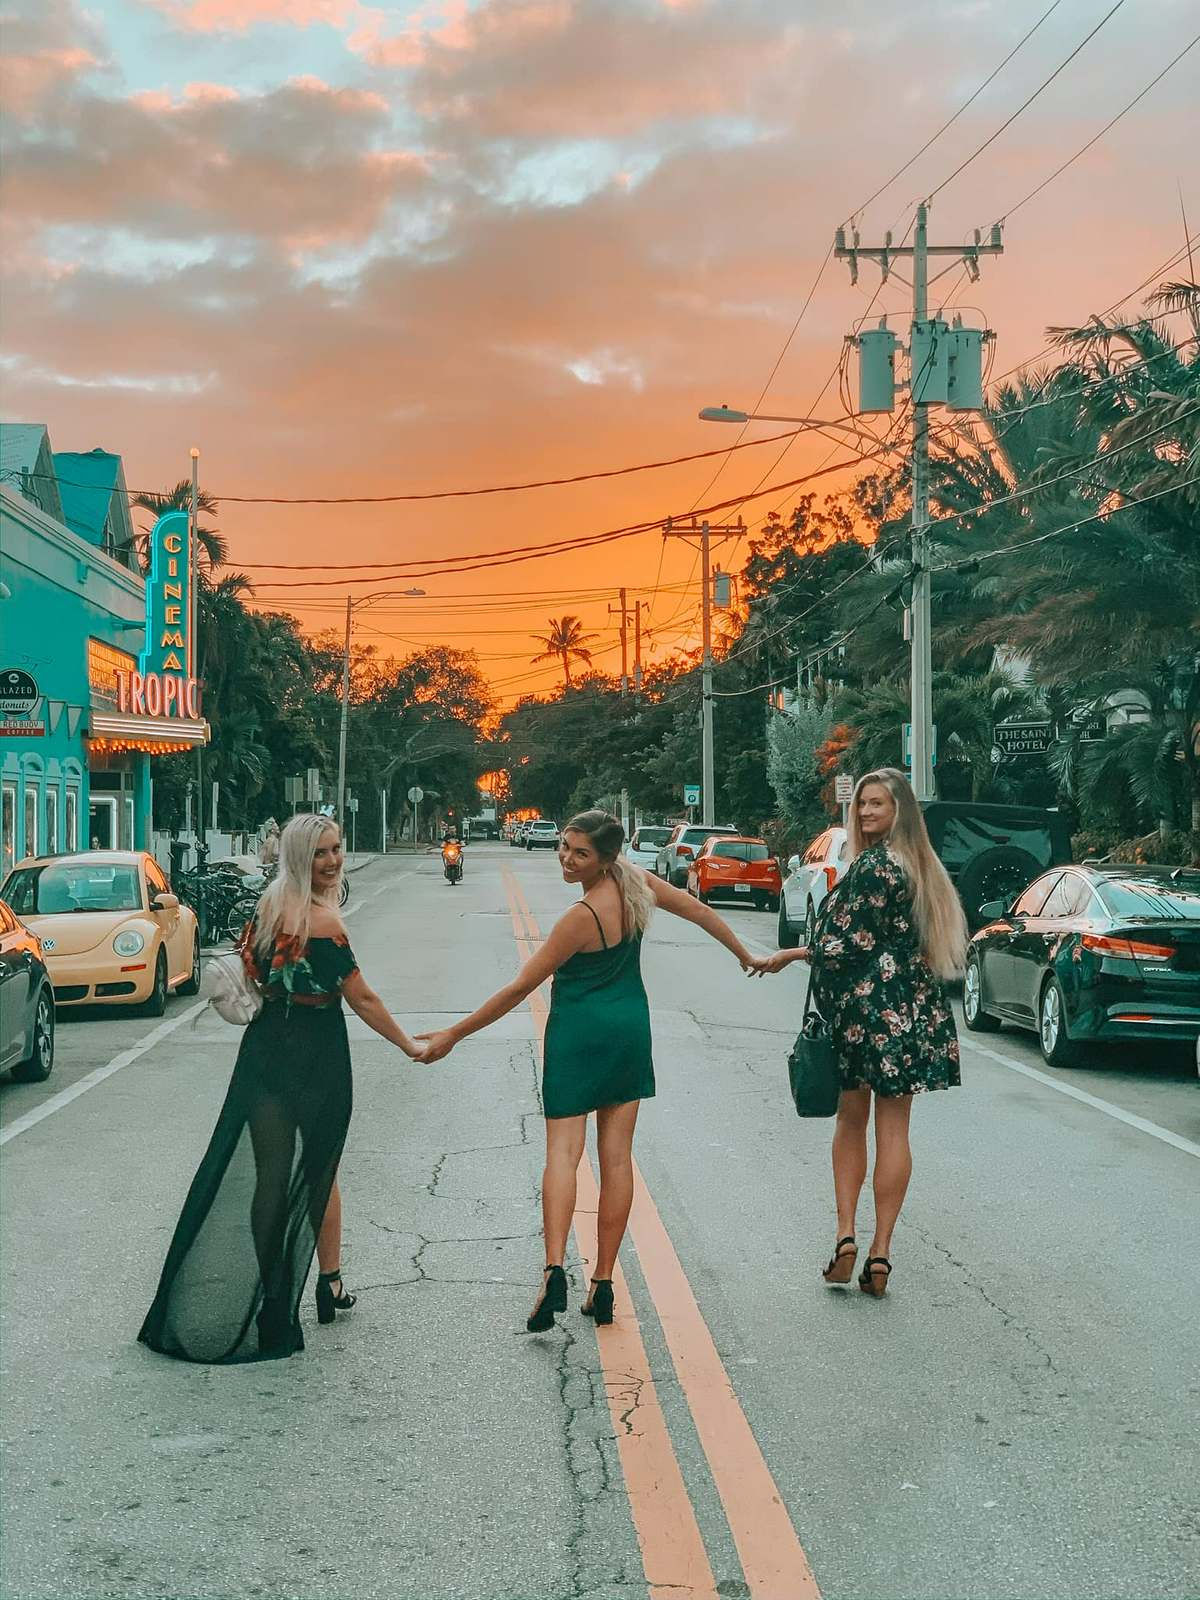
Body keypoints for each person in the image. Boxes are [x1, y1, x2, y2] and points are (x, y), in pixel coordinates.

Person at [416, 809, 768, 1331]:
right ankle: (602, 1283)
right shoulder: (637, 888)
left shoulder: (581, 918)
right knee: (617, 1160)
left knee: (562, 1153)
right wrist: (745, 954)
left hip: (578, 1035)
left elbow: (519, 989)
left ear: (604, 859)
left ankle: (556, 1269)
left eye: (579, 853)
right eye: (564, 846)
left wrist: (453, 1034)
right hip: (629, 1029)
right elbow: (699, 912)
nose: (566, 857)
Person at [139, 814, 420, 1362]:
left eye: (337, 849)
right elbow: (361, 999)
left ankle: (292, 1291)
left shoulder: (269, 906)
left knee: (276, 1174)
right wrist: (409, 1044)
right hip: (316, 1051)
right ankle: (318, 1284)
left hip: (266, 1047)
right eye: (320, 853)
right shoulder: (320, 921)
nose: (333, 860)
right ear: (298, 857)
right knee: (319, 1169)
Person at [760, 769, 966, 1298]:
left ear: (901, 811)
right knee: (895, 1130)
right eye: (864, 804)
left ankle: (847, 1236)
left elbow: (847, 942)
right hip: (914, 1011)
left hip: (866, 1012)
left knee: (852, 1122)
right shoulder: (924, 869)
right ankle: (882, 1254)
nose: (868, 811)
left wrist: (791, 953)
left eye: (879, 804)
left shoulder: (875, 866)